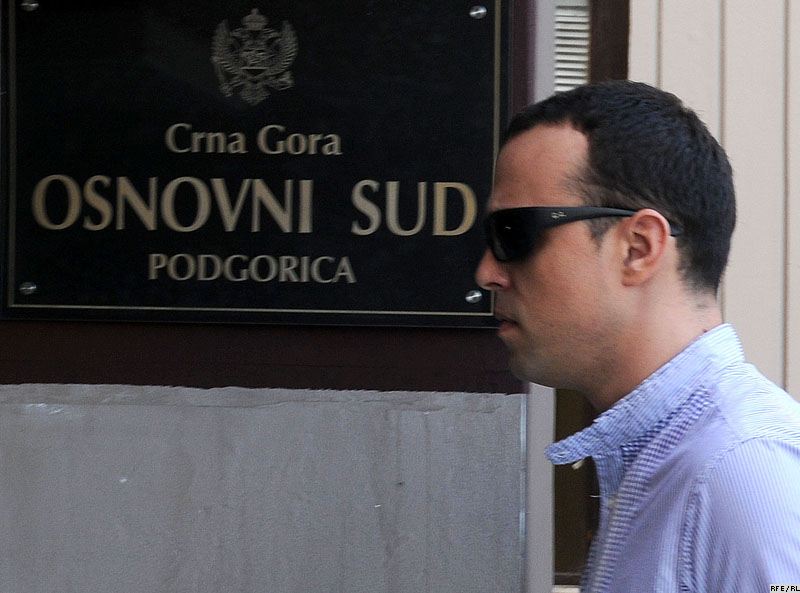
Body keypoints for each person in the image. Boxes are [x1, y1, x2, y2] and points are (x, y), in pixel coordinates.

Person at [475, 80, 800, 592]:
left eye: (513, 234)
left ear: (638, 248)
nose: (487, 272)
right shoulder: (679, 460)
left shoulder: (742, 473)